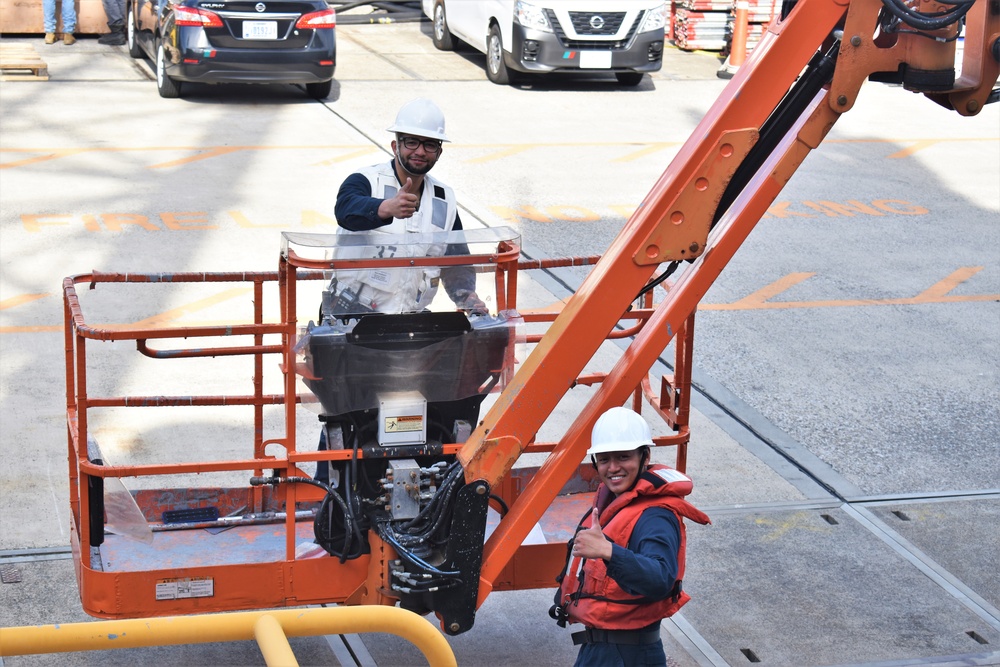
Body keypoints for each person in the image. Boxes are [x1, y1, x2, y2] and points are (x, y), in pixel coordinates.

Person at [550, 407, 711, 667]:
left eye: (623, 457)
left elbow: (660, 577)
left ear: (644, 456)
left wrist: (608, 551)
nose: (613, 468)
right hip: (601, 650)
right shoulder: (615, 501)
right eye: (604, 459)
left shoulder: (655, 516)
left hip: (628, 656)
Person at [324, 97, 485, 318]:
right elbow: (345, 209)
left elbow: (455, 260)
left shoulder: (444, 200)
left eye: (429, 144)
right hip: (352, 317)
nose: (420, 151)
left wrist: (467, 297)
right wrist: (385, 208)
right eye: (411, 142)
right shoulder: (367, 180)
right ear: (395, 146)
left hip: (409, 322)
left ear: (438, 152)